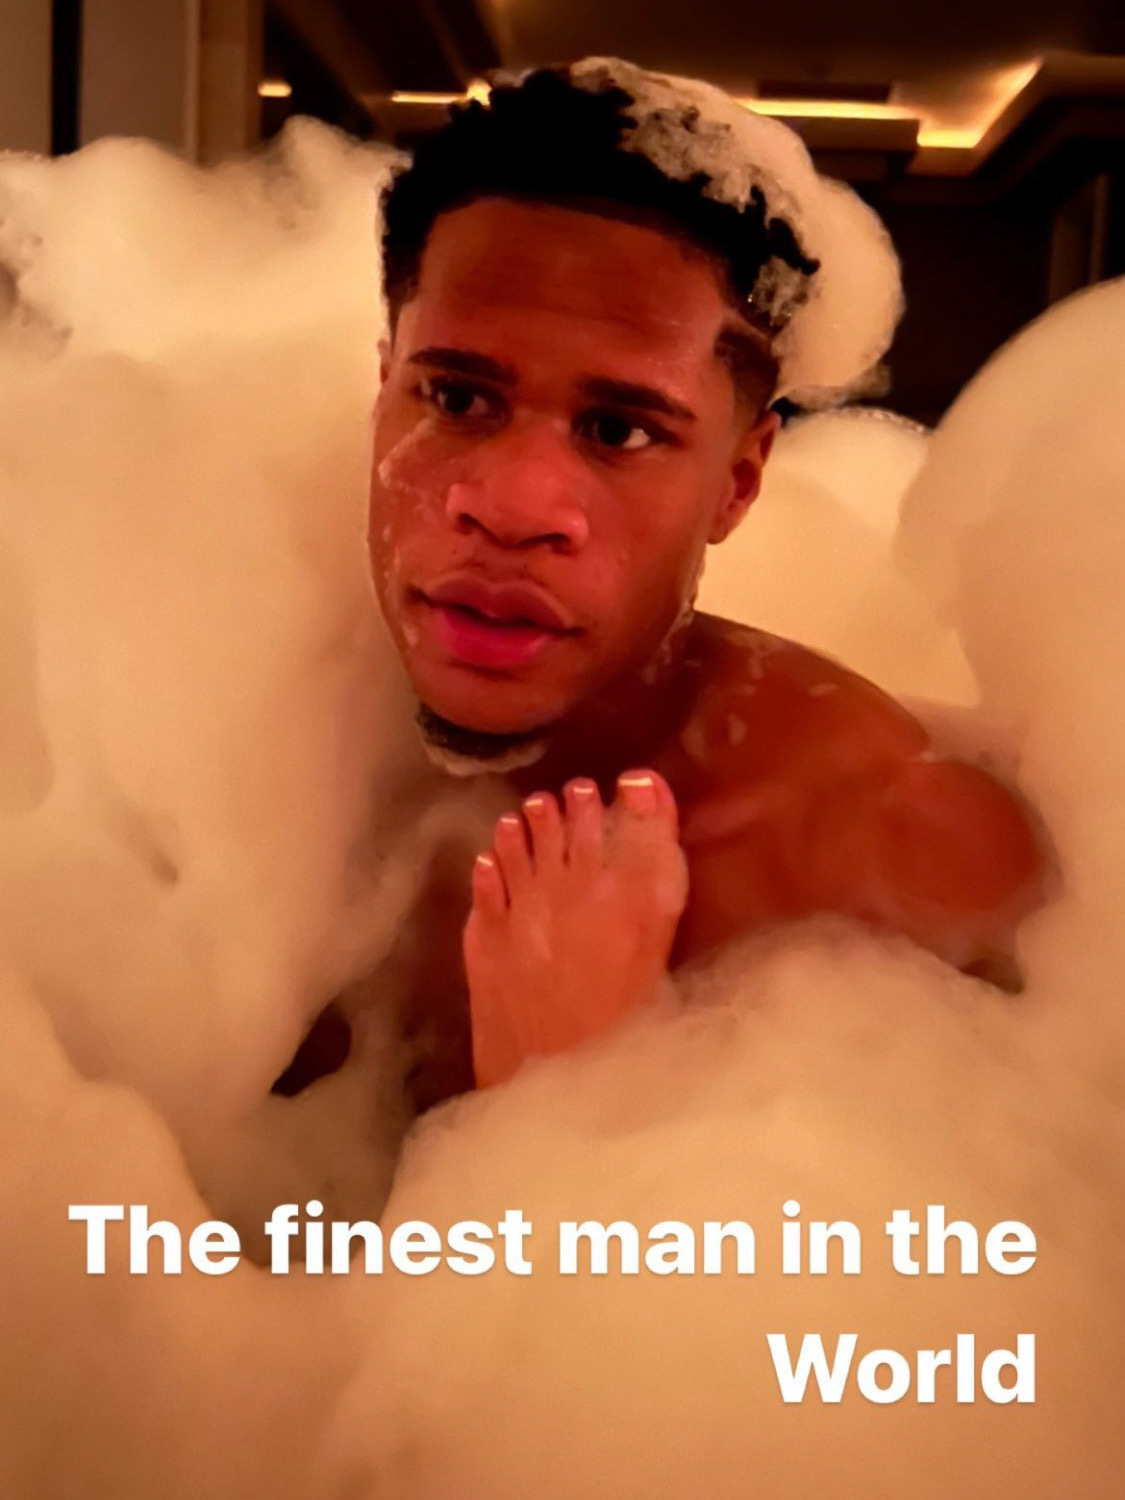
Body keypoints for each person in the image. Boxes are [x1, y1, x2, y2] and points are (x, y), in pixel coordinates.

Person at [364, 59, 1047, 1099]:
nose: (509, 506)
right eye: (457, 397)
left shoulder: (904, 856)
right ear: (383, 388)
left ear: (738, 482)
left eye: (619, 429)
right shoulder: (215, 731)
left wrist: (570, 1108)